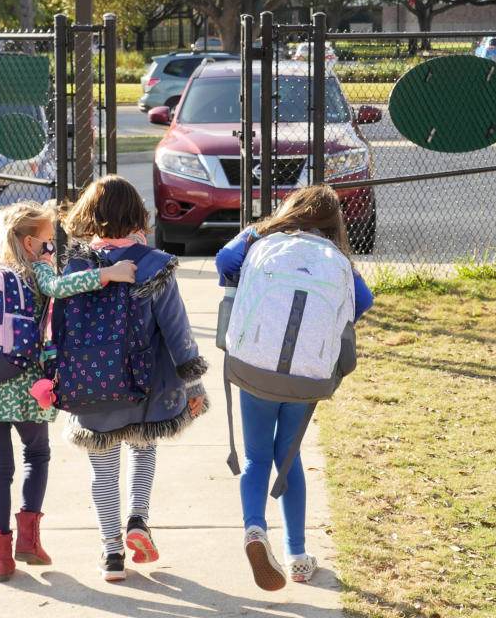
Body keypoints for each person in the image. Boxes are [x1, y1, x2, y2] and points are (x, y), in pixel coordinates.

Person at [0, 200, 138, 583]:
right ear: (29, 243)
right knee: (36, 453)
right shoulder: (33, 270)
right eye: (48, 243)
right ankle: (28, 540)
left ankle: (0, 556)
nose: (51, 250)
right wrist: (109, 273)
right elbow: (61, 288)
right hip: (24, 383)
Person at [215, 184, 374, 590]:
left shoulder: (263, 243)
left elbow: (224, 259)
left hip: (255, 367)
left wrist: (257, 230)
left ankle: (254, 530)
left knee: (255, 458)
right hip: (307, 376)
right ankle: (298, 555)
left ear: (291, 211)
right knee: (289, 459)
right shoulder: (336, 259)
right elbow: (364, 301)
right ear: (332, 223)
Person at [58, 175, 208, 582]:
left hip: (92, 385)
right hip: (147, 386)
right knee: (143, 450)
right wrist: (194, 385)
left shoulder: (74, 267)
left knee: (102, 469)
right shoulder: (153, 264)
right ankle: (138, 519)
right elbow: (178, 333)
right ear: (137, 216)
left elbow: (55, 328)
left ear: (89, 215)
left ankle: (111, 554)